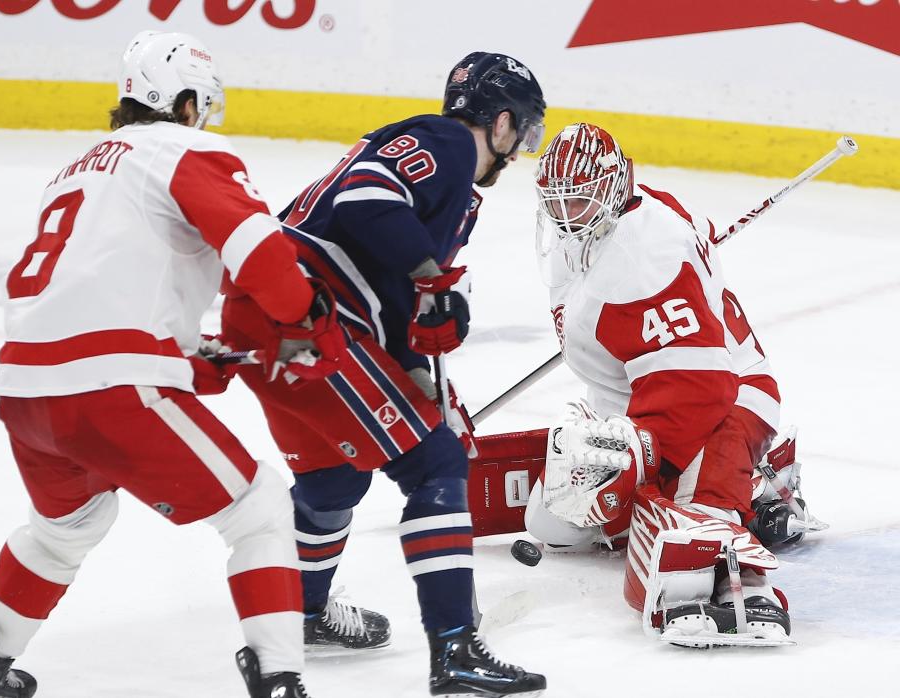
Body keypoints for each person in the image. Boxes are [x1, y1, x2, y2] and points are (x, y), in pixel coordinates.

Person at [0, 31, 343, 698]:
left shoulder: (75, 170)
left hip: (25, 395)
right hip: (112, 389)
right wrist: (307, 315)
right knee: (262, 510)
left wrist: (180, 358)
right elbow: (263, 259)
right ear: (186, 104)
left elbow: (98, 294)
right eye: (202, 106)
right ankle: (280, 680)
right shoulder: (184, 149)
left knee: (66, 529)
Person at [219, 53, 547, 695]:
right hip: (311, 321)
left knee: (334, 475)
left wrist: (420, 372)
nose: (518, 148)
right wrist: (432, 279)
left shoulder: (440, 172)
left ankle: (302, 615)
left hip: (271, 327)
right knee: (436, 463)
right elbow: (365, 198)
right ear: (503, 124)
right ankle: (455, 652)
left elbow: (385, 280)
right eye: (525, 131)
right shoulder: (449, 142)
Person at [470, 123, 821, 648]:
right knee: (552, 528)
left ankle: (745, 512)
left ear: (612, 187)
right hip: (635, 393)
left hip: (724, 395)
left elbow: (702, 390)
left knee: (694, 519)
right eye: (557, 202)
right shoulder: (607, 221)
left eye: (579, 201)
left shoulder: (647, 260)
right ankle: (736, 481)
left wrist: (641, 458)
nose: (566, 216)